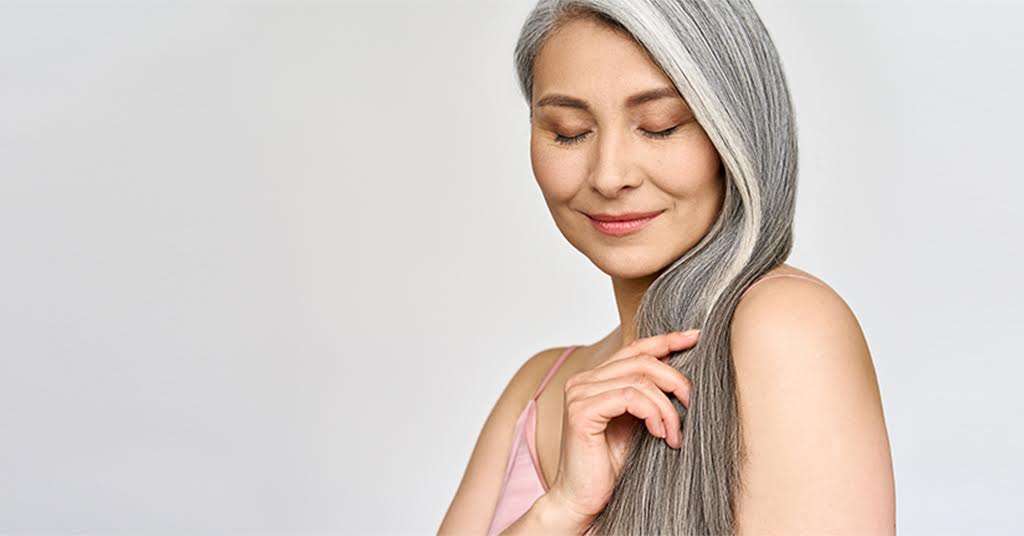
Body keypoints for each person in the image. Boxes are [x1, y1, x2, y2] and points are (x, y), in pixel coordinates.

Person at [438, 1, 895, 534]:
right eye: (568, 131)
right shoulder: (539, 388)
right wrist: (559, 509)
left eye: (660, 126)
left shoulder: (787, 326)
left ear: (735, 131)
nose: (609, 176)